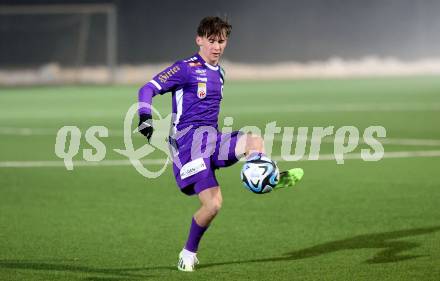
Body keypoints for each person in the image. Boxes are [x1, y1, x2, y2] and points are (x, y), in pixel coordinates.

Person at [137, 16, 303, 272]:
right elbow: (147, 89)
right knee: (213, 205)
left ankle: (265, 178)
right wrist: (145, 118)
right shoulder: (185, 68)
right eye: (212, 40)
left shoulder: (220, 73)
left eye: (221, 41)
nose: (217, 46)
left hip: (212, 139)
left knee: (255, 140)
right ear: (199, 40)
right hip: (188, 148)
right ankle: (188, 252)